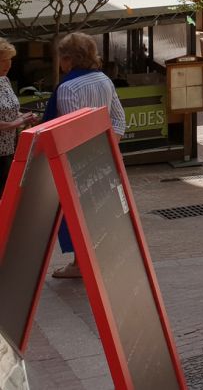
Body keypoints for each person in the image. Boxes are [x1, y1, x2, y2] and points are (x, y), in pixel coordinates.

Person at [45, 32, 127, 279]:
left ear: (69, 59)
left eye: (61, 57)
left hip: (79, 164)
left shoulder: (67, 88)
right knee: (99, 211)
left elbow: (72, 130)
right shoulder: (104, 80)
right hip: (104, 159)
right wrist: (108, 148)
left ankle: (80, 264)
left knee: (77, 214)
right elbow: (119, 119)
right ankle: (96, 260)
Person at [0, 38, 39, 197]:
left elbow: (9, 109)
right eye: (3, 60)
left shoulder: (4, 80)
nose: (8, 65)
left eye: (10, 59)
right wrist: (19, 122)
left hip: (8, 149)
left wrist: (24, 116)